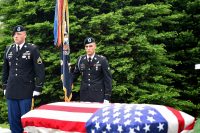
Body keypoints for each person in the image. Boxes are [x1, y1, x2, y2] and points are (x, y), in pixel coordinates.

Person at [2, 25, 45, 133]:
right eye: (15, 34)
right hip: (11, 90)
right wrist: (4, 86)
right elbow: (5, 70)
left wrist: (38, 88)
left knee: (25, 121)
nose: (16, 36)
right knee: (13, 121)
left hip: (26, 91)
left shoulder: (32, 49)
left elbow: (40, 70)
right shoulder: (9, 49)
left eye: (19, 34)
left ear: (25, 35)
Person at [73, 37, 112, 103]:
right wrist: (67, 80)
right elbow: (75, 75)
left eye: (91, 46)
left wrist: (107, 97)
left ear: (95, 46)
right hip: (84, 95)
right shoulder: (80, 60)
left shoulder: (102, 60)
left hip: (98, 95)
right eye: (86, 46)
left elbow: (108, 79)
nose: (88, 48)